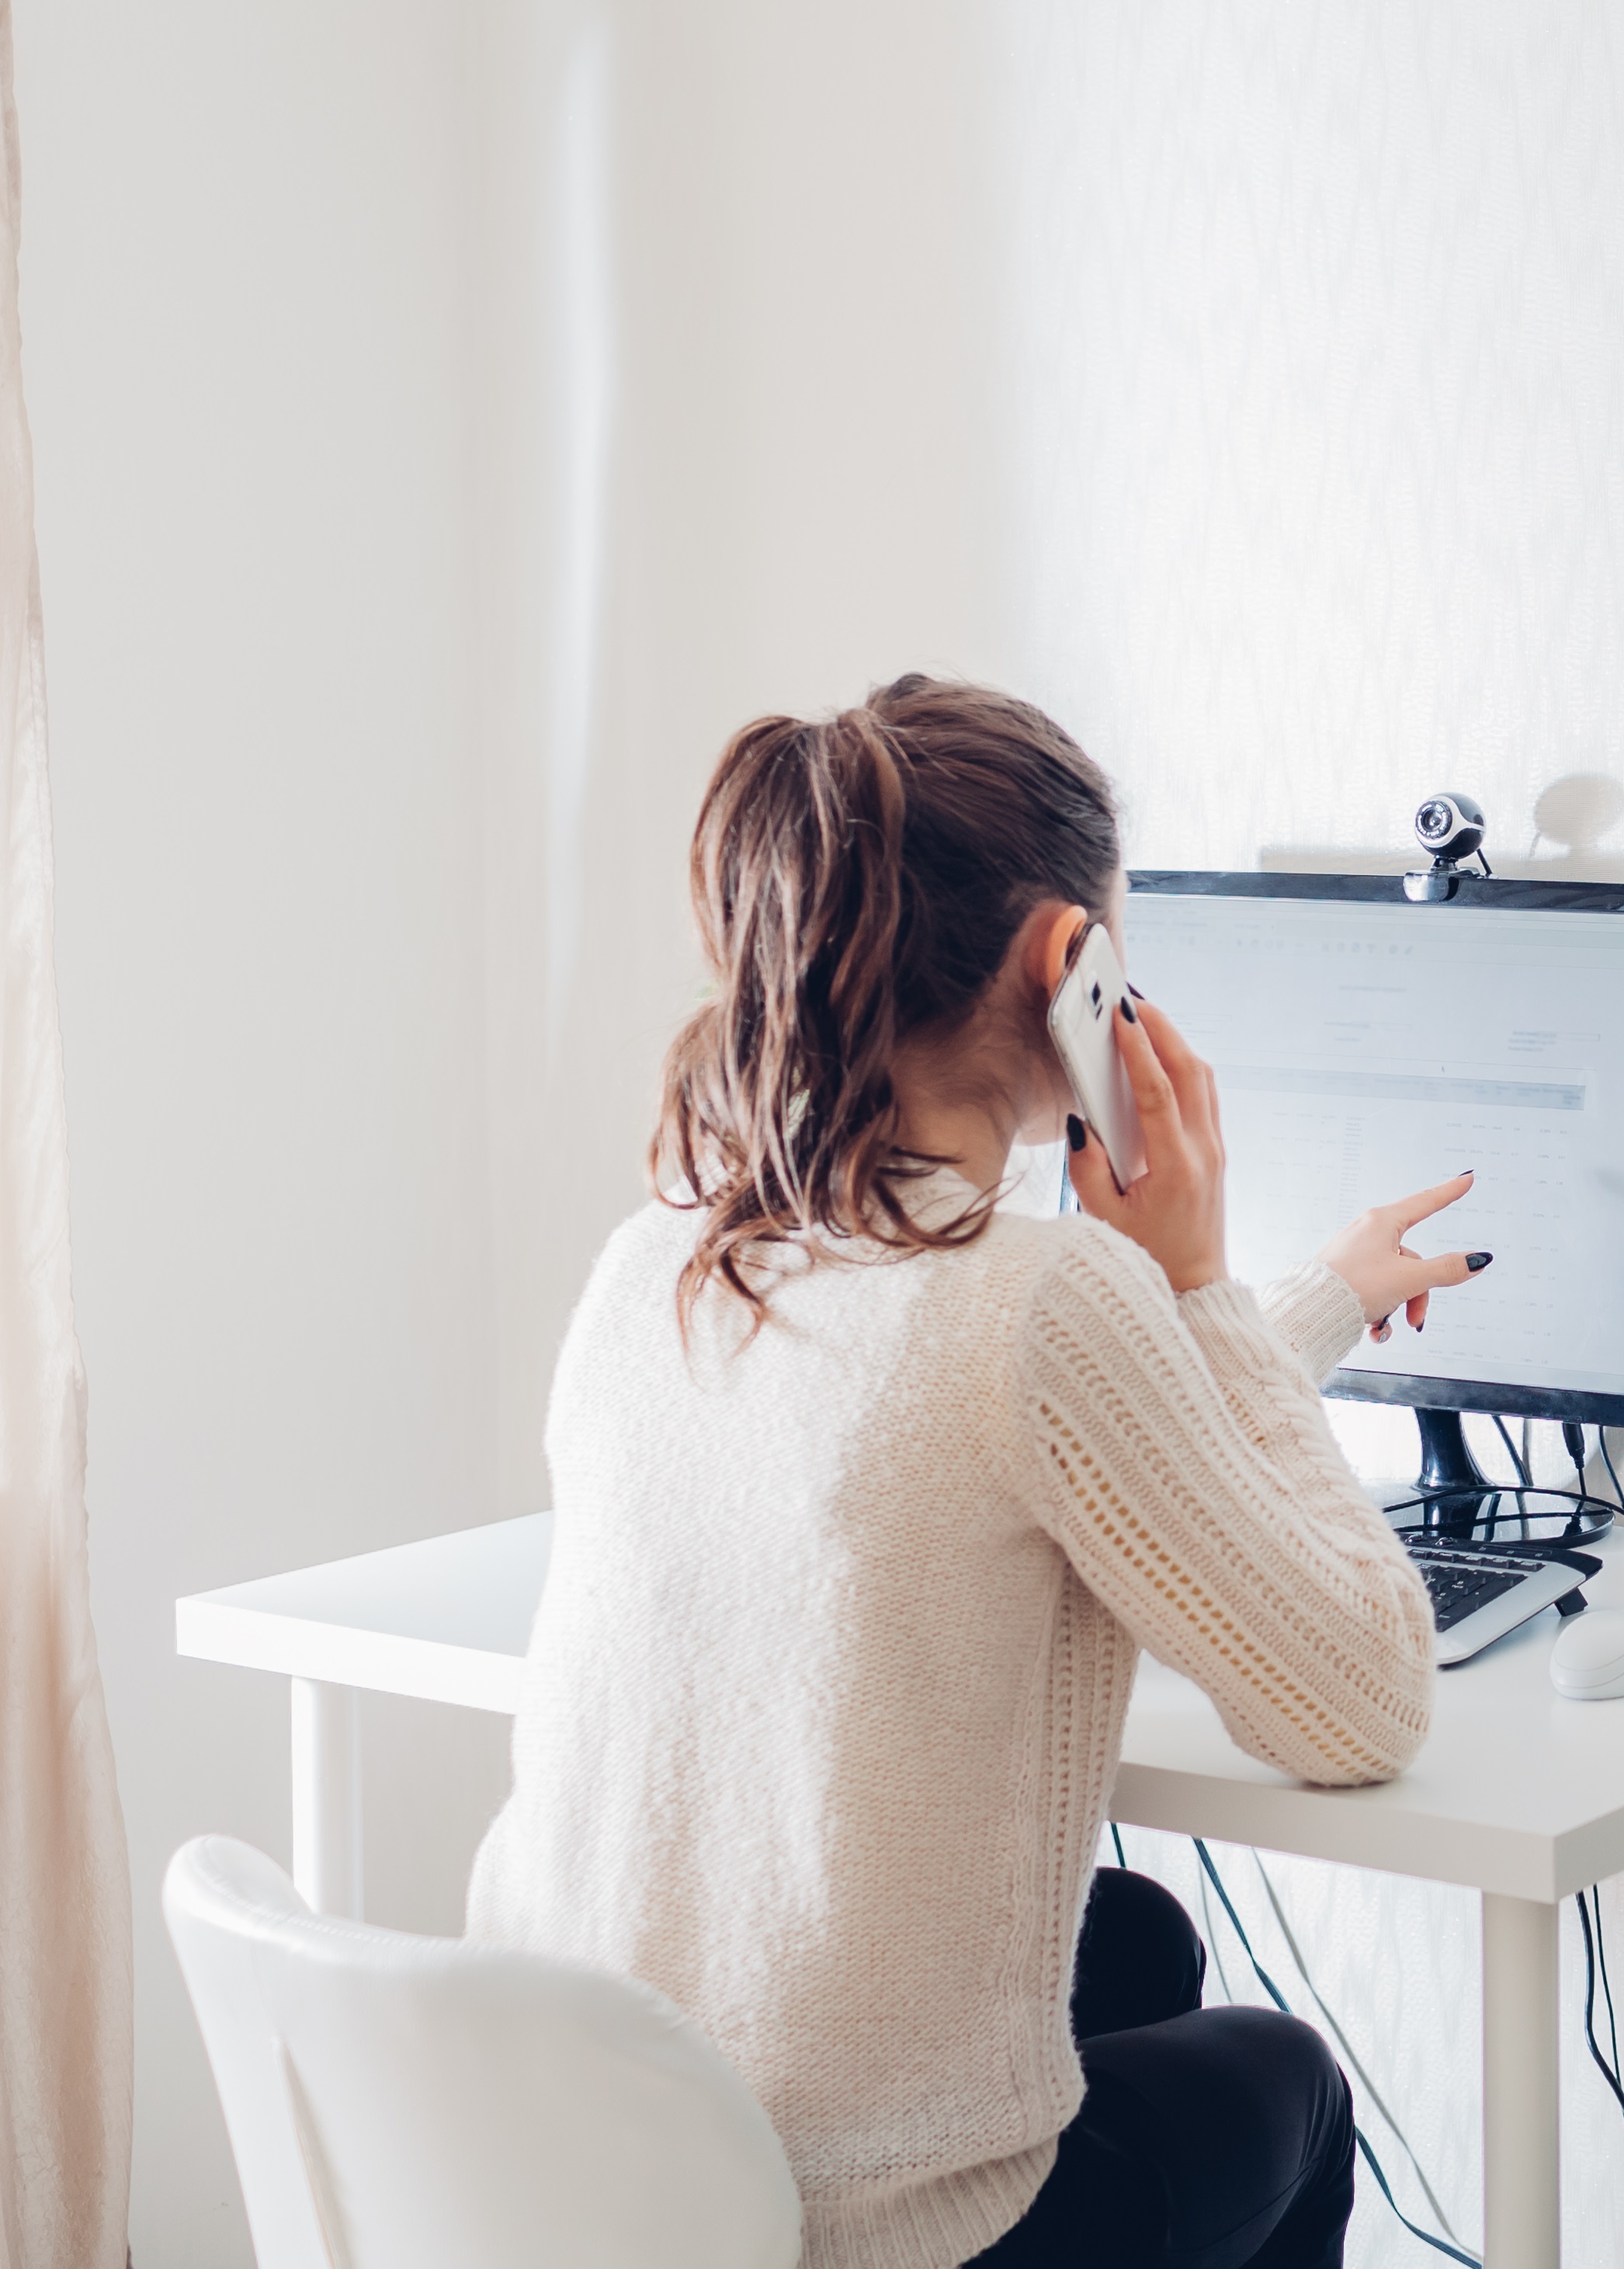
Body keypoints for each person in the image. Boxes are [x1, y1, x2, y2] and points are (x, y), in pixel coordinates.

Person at [468, 676, 1481, 2269]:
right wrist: (1198, 1286)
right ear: (1070, 963)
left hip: (595, 2176)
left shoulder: (657, 1257)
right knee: (1285, 2082)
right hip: (850, 2229)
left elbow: (1067, 1438)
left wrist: (1316, 1300)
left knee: (1131, 1943)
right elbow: (1361, 1704)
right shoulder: (1046, 1301)